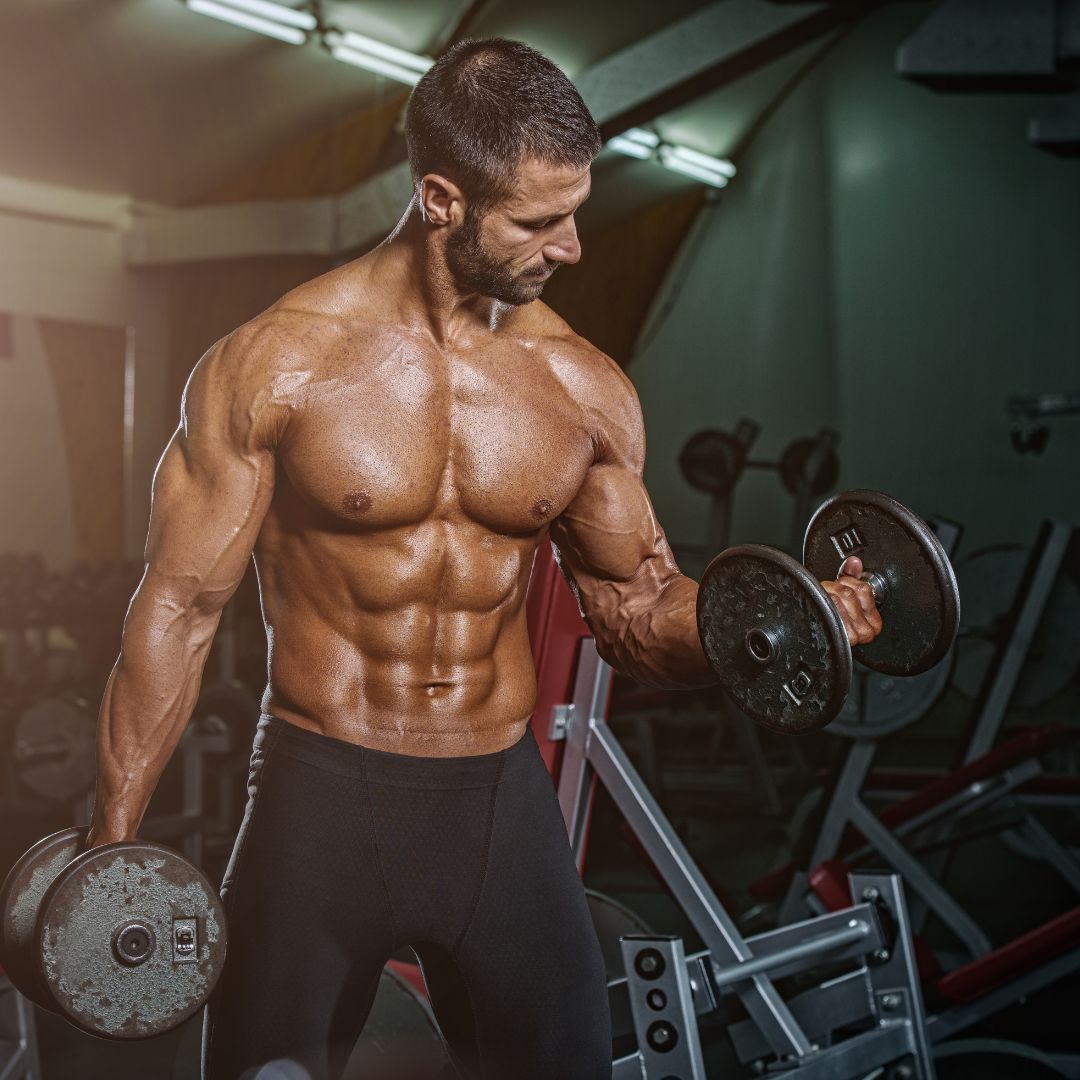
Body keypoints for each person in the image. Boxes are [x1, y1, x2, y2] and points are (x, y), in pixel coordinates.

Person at [86, 37, 883, 1080]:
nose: (574, 246)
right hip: (321, 796)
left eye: (578, 211)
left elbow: (638, 611)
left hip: (498, 808)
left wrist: (787, 622)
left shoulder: (580, 387)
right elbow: (180, 609)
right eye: (540, 221)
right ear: (440, 200)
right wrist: (109, 850)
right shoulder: (277, 366)